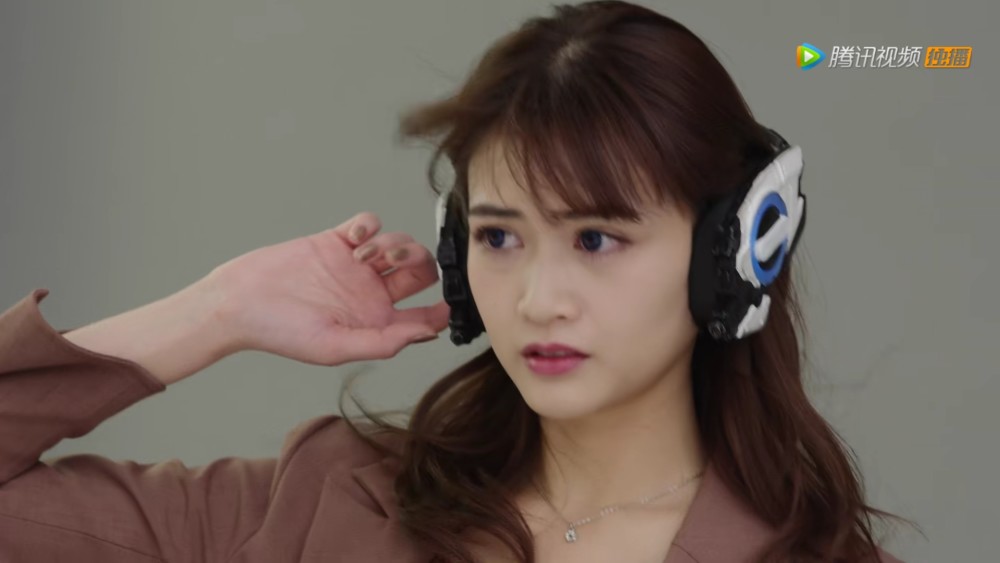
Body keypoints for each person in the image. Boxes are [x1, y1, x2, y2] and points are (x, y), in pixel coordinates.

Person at [0, 1, 912, 561]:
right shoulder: (327, 503)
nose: (538, 298)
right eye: (499, 236)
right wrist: (218, 308)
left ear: (736, 249)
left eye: (597, 238)